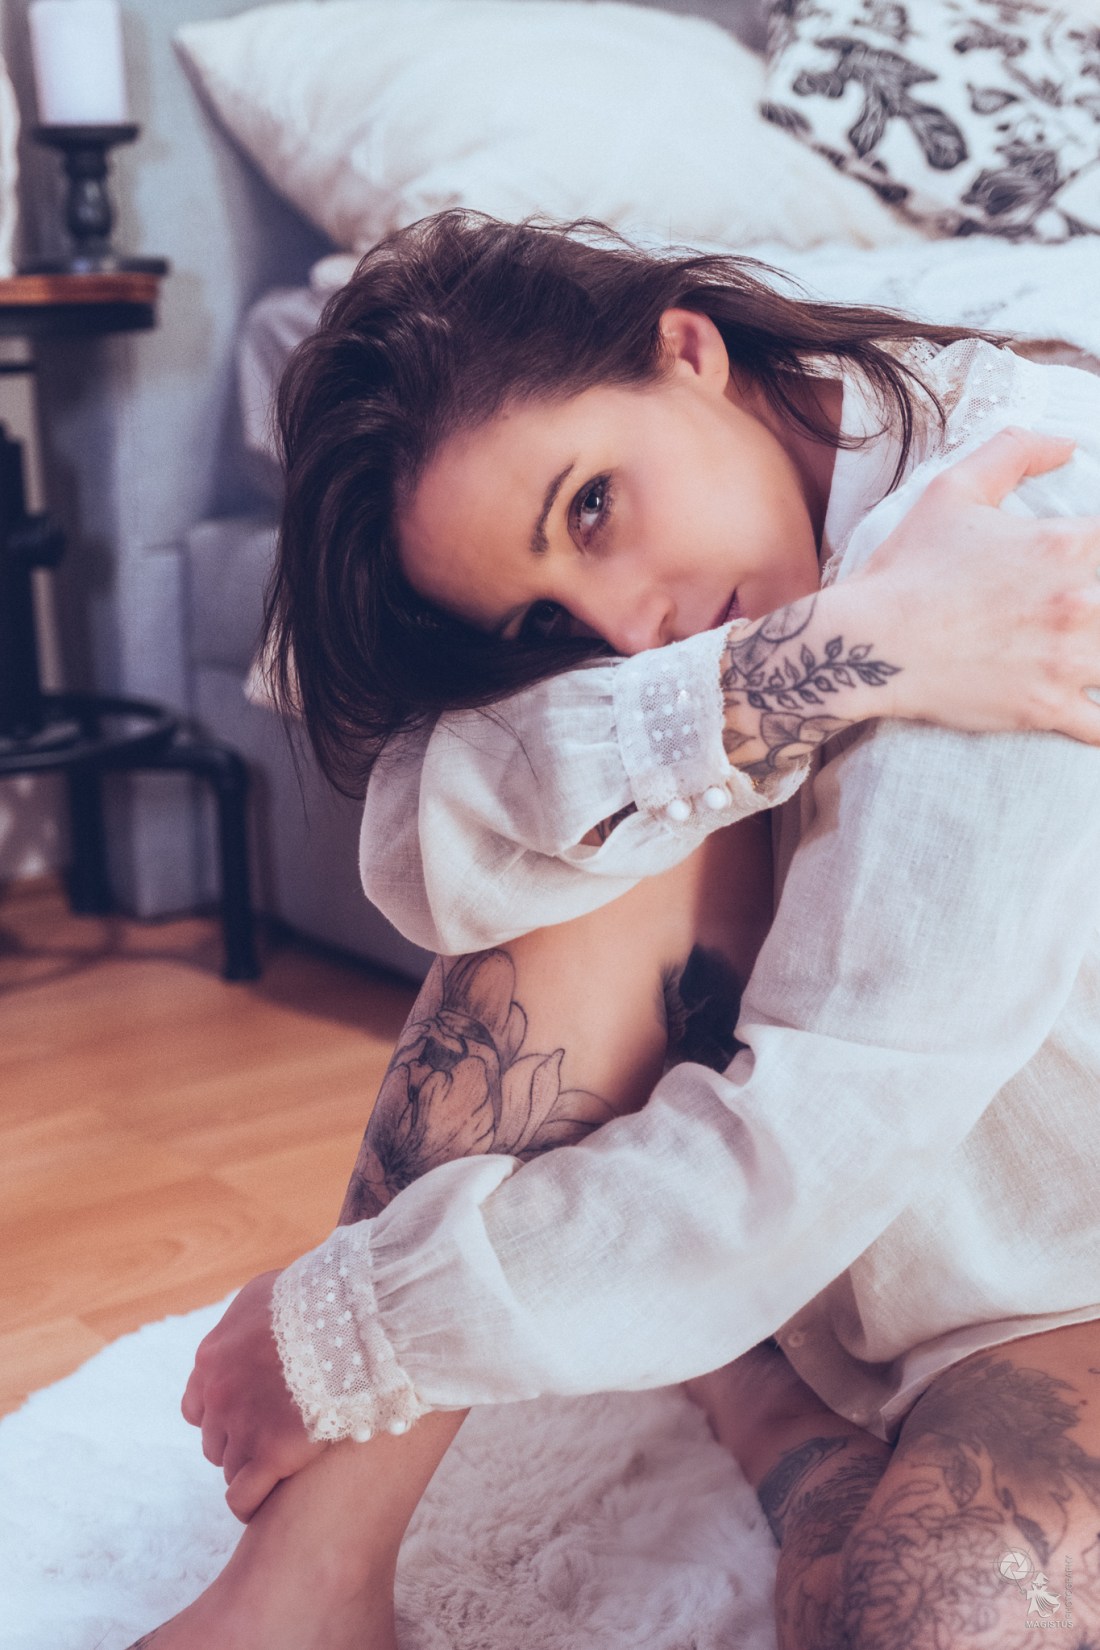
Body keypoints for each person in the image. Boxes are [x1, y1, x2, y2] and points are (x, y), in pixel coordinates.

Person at [139, 214, 1100, 1650]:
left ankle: (761, 1396)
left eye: (591, 507)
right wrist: (834, 659)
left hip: (1051, 1249)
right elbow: (428, 837)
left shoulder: (1018, 530)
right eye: (545, 623)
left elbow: (827, 1132)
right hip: (894, 1243)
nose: (631, 630)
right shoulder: (754, 578)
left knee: (941, 1618)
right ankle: (307, 1587)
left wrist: (361, 1322)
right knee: (597, 822)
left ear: (687, 348)